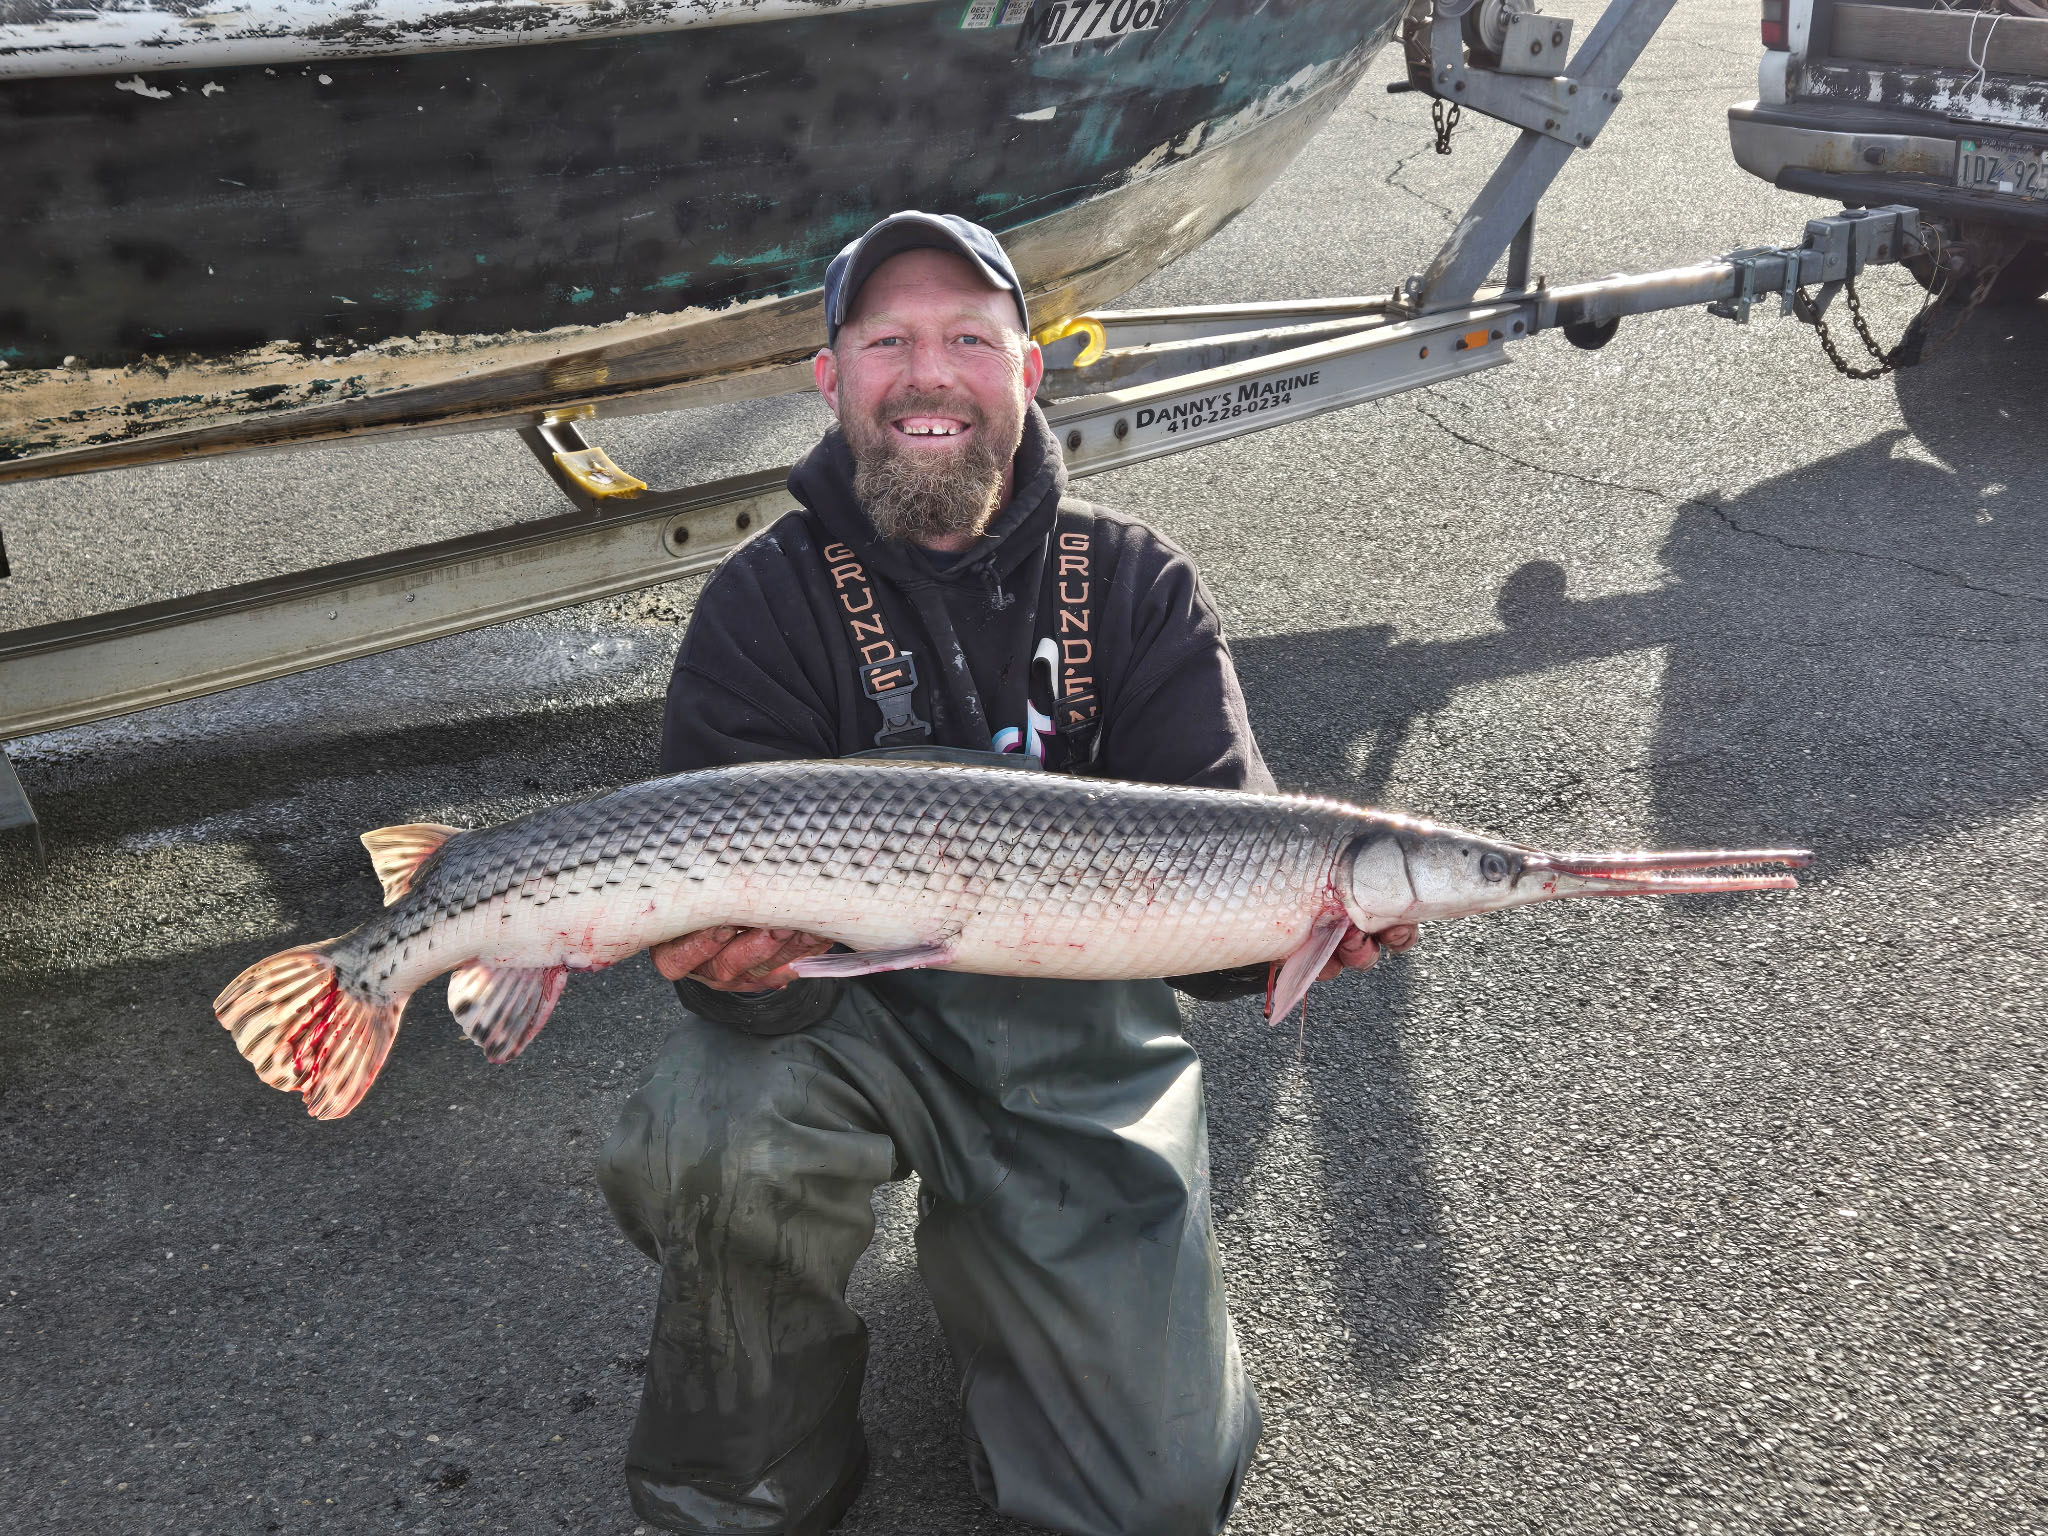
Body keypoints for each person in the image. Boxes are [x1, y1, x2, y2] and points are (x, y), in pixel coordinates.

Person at [598, 211, 1416, 1536]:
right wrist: (739, 980)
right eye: (890, 341)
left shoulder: (1138, 583)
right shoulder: (764, 599)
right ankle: (747, 1483)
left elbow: (1214, 921)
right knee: (717, 1127)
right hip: (840, 1022)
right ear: (834, 378)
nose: (930, 376)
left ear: (1029, 370)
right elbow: (723, 972)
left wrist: (1292, 936)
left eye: (969, 339)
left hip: (1078, 1038)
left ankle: (1019, 1288)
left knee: (1150, 1504)